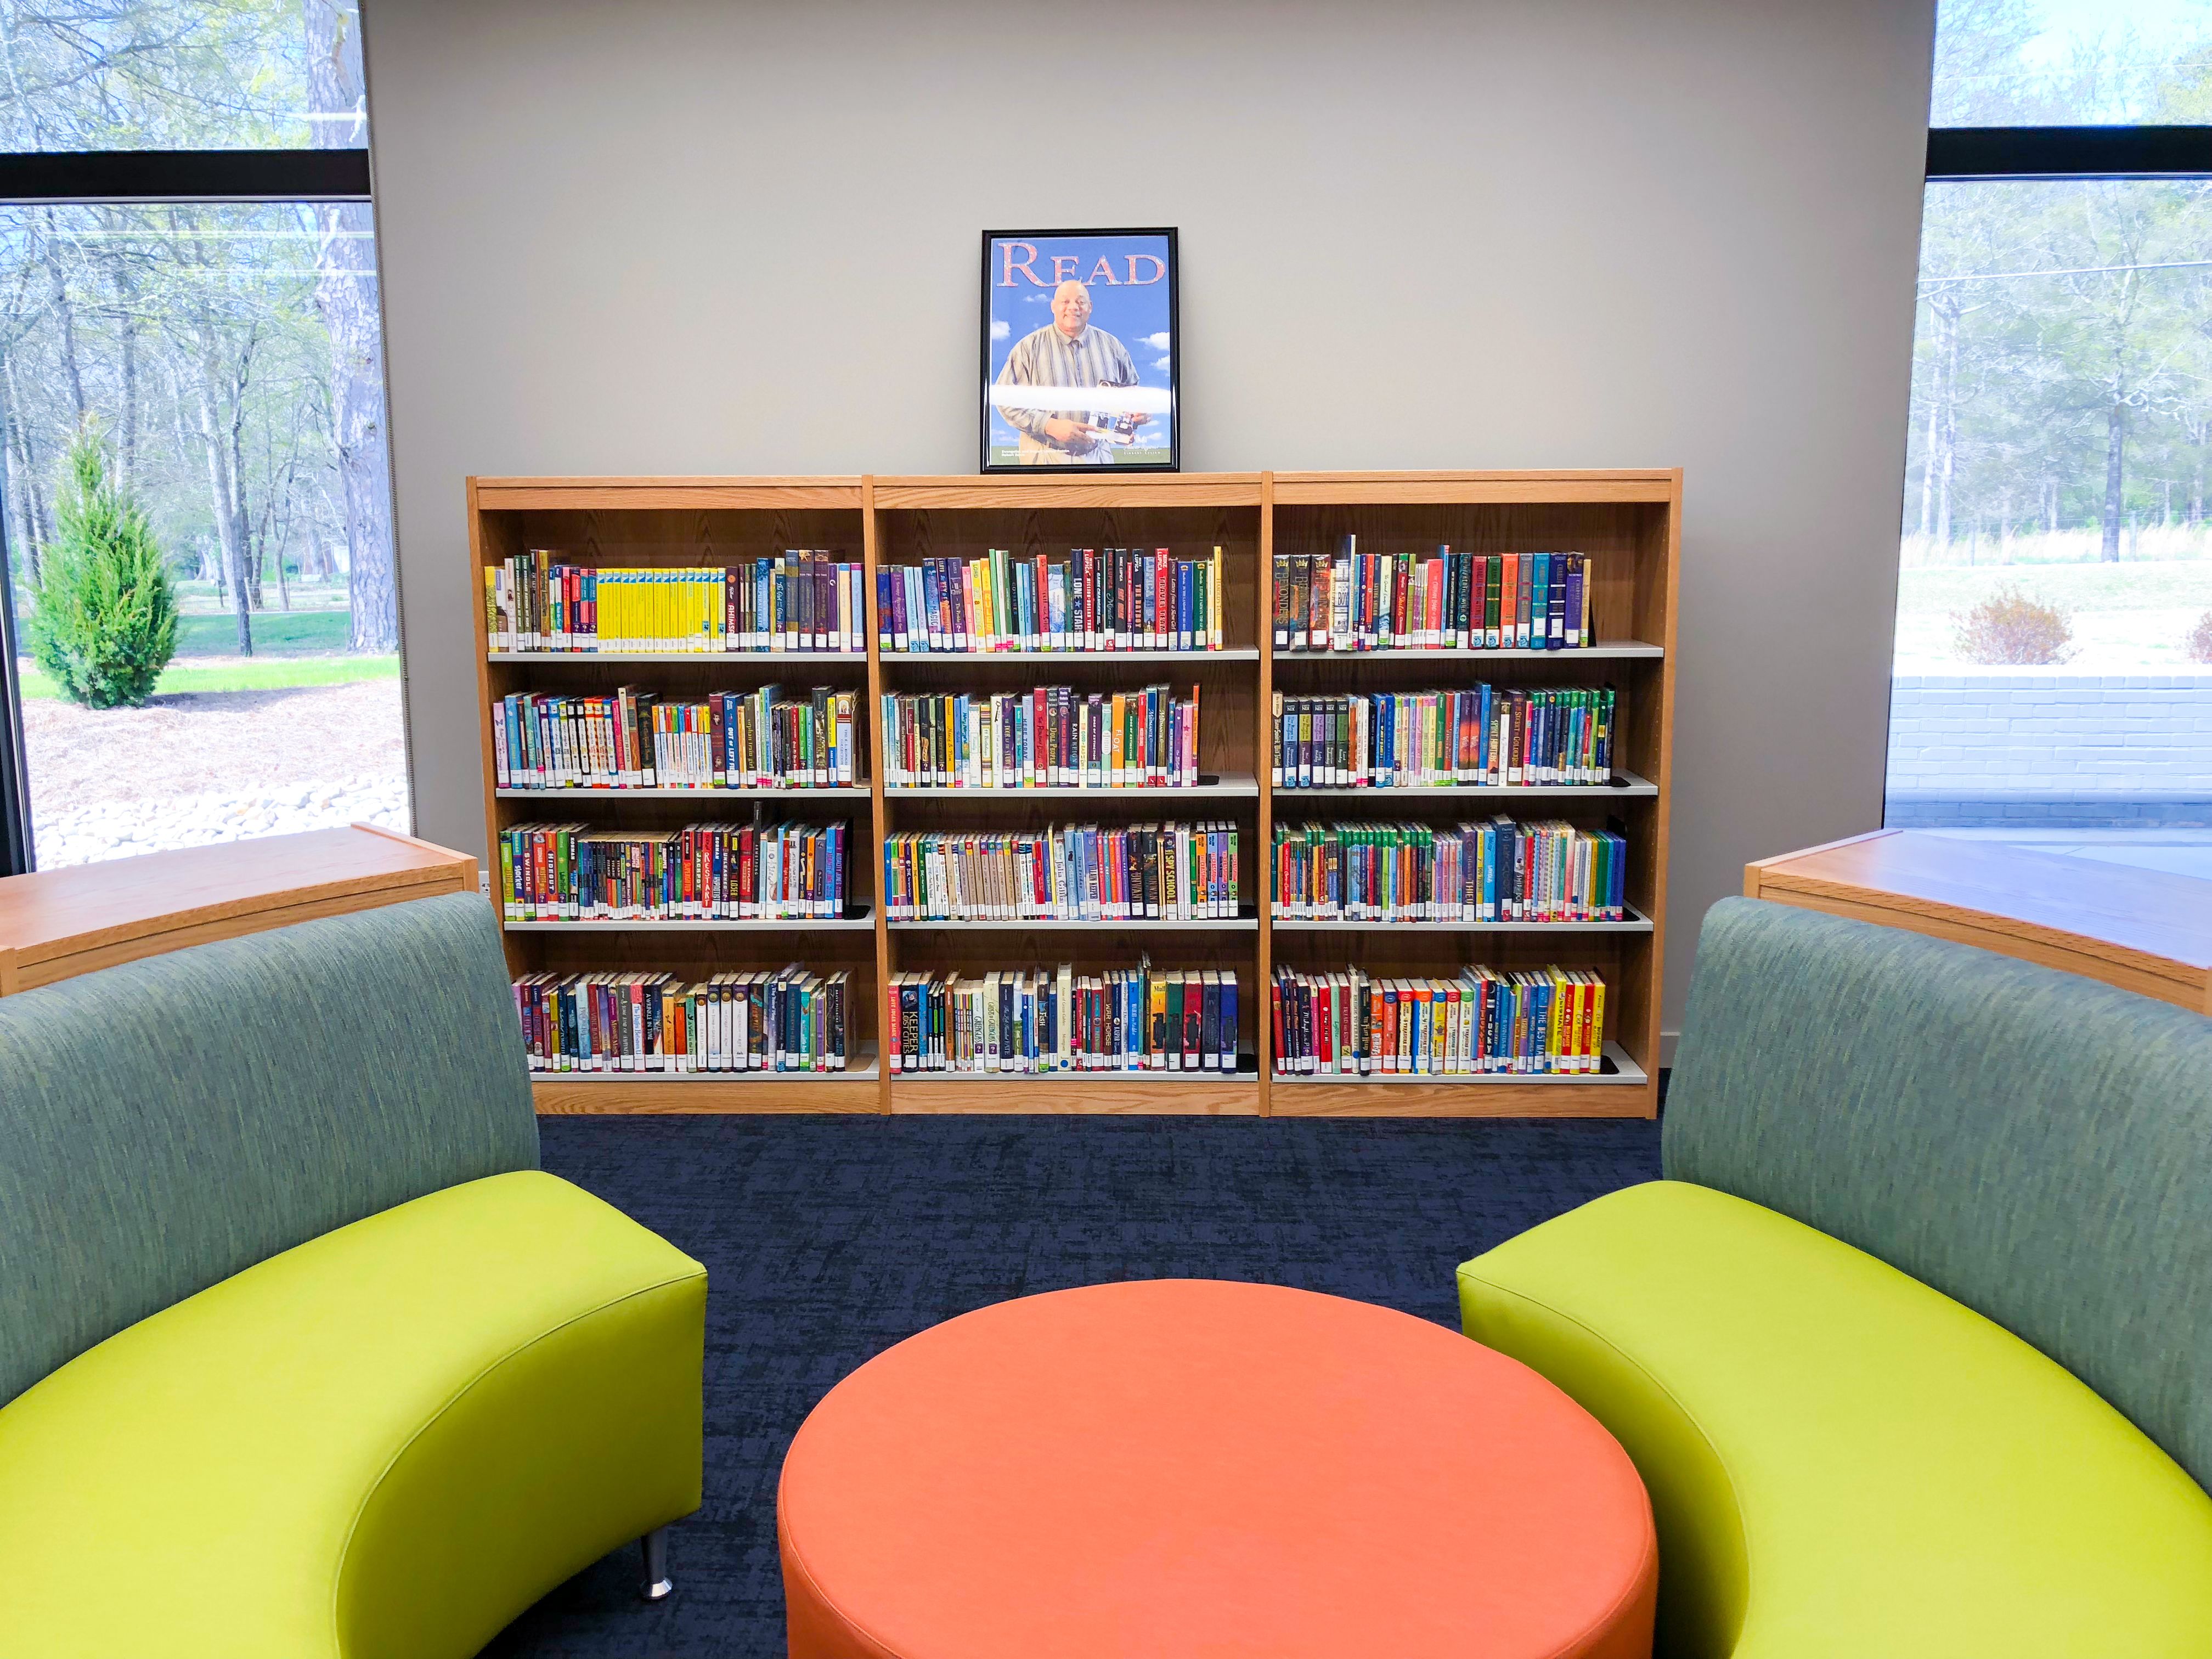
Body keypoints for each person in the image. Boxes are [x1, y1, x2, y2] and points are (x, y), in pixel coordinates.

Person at [993, 280, 1146, 465]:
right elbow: (1005, 400)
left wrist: (1140, 413)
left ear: (1090, 307)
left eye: (1081, 302)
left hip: (1099, 456)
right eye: (1065, 302)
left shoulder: (1112, 346)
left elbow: (1133, 394)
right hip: (1045, 457)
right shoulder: (1028, 348)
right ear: (1053, 307)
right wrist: (1050, 425)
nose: (1073, 307)